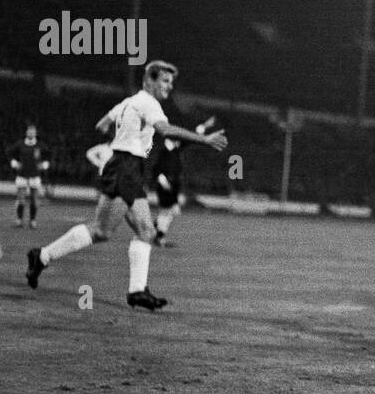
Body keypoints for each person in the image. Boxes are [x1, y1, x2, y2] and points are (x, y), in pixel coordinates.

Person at [25, 61, 227, 309]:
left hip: (129, 167)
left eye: (171, 82)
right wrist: (204, 139)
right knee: (101, 231)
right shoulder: (148, 103)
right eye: (165, 80)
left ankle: (137, 291)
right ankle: (42, 256)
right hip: (125, 167)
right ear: (149, 81)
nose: (169, 86)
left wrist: (124, 137)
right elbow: (165, 130)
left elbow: (101, 125)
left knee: (146, 232)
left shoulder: (128, 102)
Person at [150, 113, 216, 246]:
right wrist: (163, 181)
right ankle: (159, 238)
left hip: (174, 183)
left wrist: (204, 126)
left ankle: (154, 229)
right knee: (167, 211)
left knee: (172, 211)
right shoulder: (164, 153)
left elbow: (190, 137)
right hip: (165, 184)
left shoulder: (176, 150)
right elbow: (156, 169)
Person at [9, 123, 50, 228]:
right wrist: (14, 163)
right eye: (29, 131)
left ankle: (33, 221)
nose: (31, 133)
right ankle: (19, 220)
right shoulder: (20, 144)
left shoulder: (40, 145)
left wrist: (45, 164)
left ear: (36, 133)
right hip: (22, 175)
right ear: (26, 132)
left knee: (34, 200)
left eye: (33, 131)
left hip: (35, 175)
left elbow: (48, 156)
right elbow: (10, 153)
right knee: (21, 199)